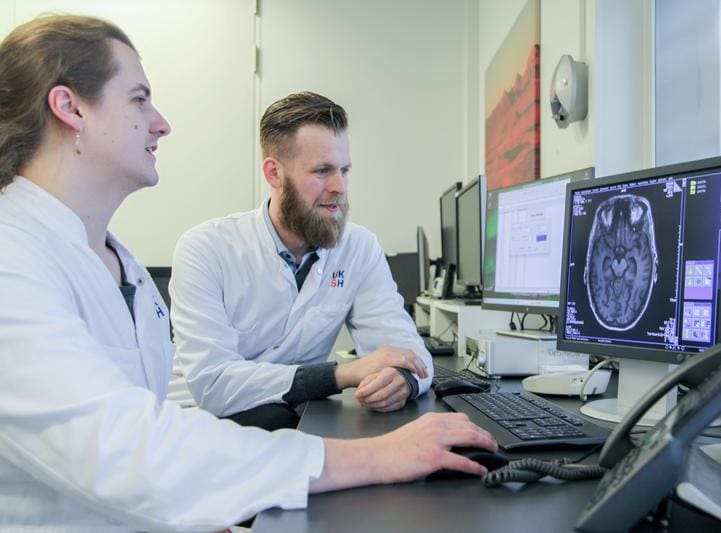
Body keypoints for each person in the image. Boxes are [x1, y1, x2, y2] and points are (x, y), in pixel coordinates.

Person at [0, 14, 496, 530]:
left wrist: (397, 378)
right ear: (69, 107)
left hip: (181, 495)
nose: (161, 122)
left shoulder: (117, 265)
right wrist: (380, 454)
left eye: (343, 170)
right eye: (139, 98)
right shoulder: (13, 261)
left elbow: (147, 450)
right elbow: (128, 450)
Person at [168, 92, 433, 430]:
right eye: (322, 171)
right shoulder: (205, 248)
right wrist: (343, 374)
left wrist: (402, 380)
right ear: (274, 173)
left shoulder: (359, 247)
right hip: (197, 424)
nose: (339, 187)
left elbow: (409, 349)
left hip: (288, 418)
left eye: (345, 170)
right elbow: (214, 385)